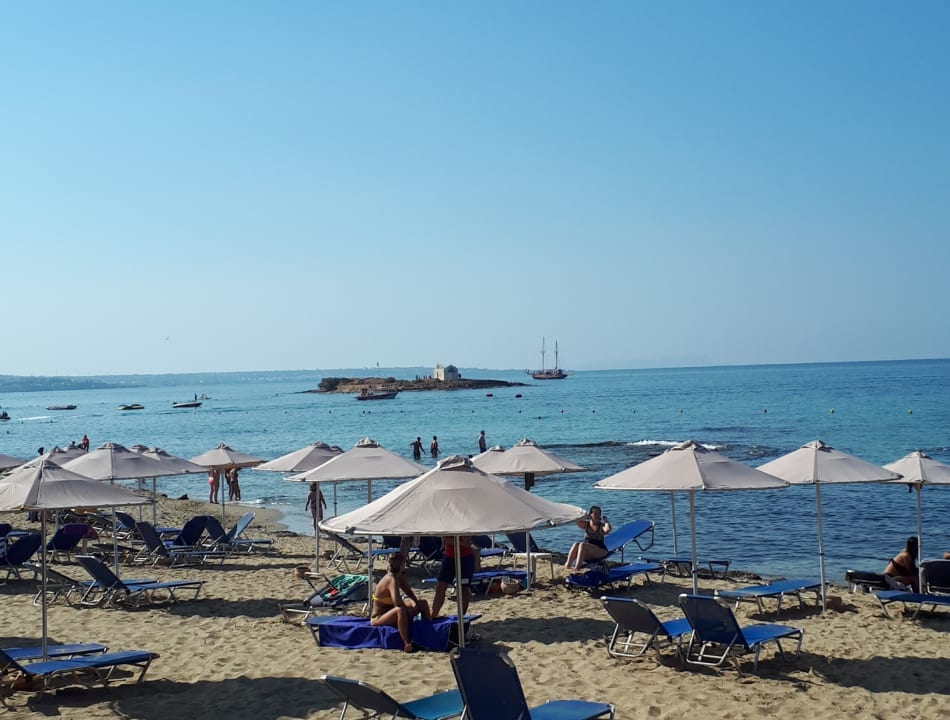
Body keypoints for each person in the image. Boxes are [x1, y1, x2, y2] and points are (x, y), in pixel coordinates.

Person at [369, 552, 431, 653]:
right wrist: (409, 611)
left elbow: (409, 593)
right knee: (400, 610)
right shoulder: (391, 579)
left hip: (391, 611)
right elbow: (397, 603)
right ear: (402, 565)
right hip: (379, 617)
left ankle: (428, 633)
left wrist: (414, 603)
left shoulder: (400, 576)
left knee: (422, 603)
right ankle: (406, 643)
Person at [431, 535, 475, 618]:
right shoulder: (449, 524)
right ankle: (433, 615)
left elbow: (467, 542)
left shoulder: (464, 524)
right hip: (449, 557)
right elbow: (445, 540)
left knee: (463, 588)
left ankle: (461, 616)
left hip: (465, 557)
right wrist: (459, 539)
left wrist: (454, 539)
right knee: (440, 586)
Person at [564, 505, 612, 569]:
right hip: (588, 552)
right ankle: (567, 565)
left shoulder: (601, 526)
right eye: (595, 514)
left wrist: (606, 521)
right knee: (576, 544)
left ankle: (577, 568)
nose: (598, 516)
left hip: (601, 550)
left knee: (582, 545)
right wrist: (585, 516)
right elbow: (577, 521)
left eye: (599, 514)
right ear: (591, 515)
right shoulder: (586, 524)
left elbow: (608, 530)